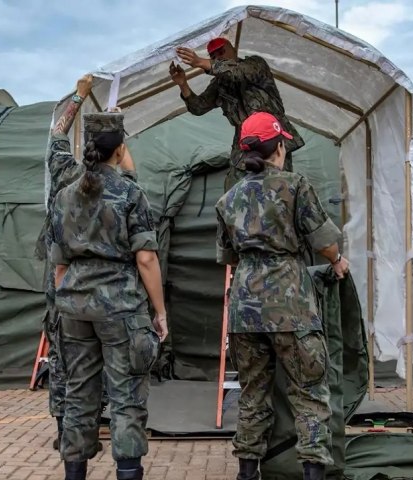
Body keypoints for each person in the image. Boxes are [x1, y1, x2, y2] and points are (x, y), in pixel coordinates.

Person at [215, 112, 350, 480]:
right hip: (292, 307)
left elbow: (227, 256)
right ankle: (312, 473)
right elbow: (325, 243)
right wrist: (338, 261)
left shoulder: (228, 199)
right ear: (279, 145)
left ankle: (247, 473)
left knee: (252, 394)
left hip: (245, 309)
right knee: (309, 393)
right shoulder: (295, 185)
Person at [49, 112, 168, 480]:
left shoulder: (66, 195)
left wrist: (67, 302)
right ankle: (128, 471)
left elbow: (60, 265)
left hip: (75, 308)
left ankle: (74, 473)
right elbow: (145, 258)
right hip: (120, 308)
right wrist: (160, 313)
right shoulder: (131, 193)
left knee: (79, 397)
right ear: (119, 150)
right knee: (126, 397)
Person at [35, 74, 138, 451]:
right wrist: (116, 127)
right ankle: (101, 422)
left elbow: (57, 136)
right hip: (110, 287)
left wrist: (78, 98)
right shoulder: (120, 185)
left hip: (64, 280)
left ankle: (68, 430)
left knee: (65, 353)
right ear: (114, 149)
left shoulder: (65, 172)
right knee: (111, 354)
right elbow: (128, 167)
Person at [169, 38, 304, 190]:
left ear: (233, 49)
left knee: (278, 190)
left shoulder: (255, 64)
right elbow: (198, 108)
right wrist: (183, 84)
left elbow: (237, 73)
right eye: (213, 56)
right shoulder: (219, 84)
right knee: (234, 192)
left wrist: (201, 62)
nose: (218, 57)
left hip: (271, 138)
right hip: (245, 144)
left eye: (221, 51)